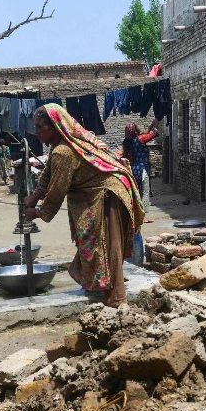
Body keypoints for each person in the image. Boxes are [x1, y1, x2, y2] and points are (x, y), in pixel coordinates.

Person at [23, 104, 145, 308]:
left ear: (53, 127)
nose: (36, 132)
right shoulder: (60, 145)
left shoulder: (63, 151)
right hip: (98, 192)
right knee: (93, 242)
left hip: (109, 194)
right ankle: (98, 285)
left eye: (39, 127)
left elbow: (57, 190)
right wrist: (34, 196)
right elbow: (48, 175)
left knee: (107, 245)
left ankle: (116, 300)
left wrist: (36, 212)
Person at [121, 121, 159, 208]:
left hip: (133, 169)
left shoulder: (125, 142)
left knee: (136, 191)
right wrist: (155, 124)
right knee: (145, 192)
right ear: (135, 130)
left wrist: (149, 127)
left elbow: (124, 154)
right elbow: (154, 133)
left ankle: (136, 211)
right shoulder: (141, 139)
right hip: (143, 169)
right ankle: (143, 214)